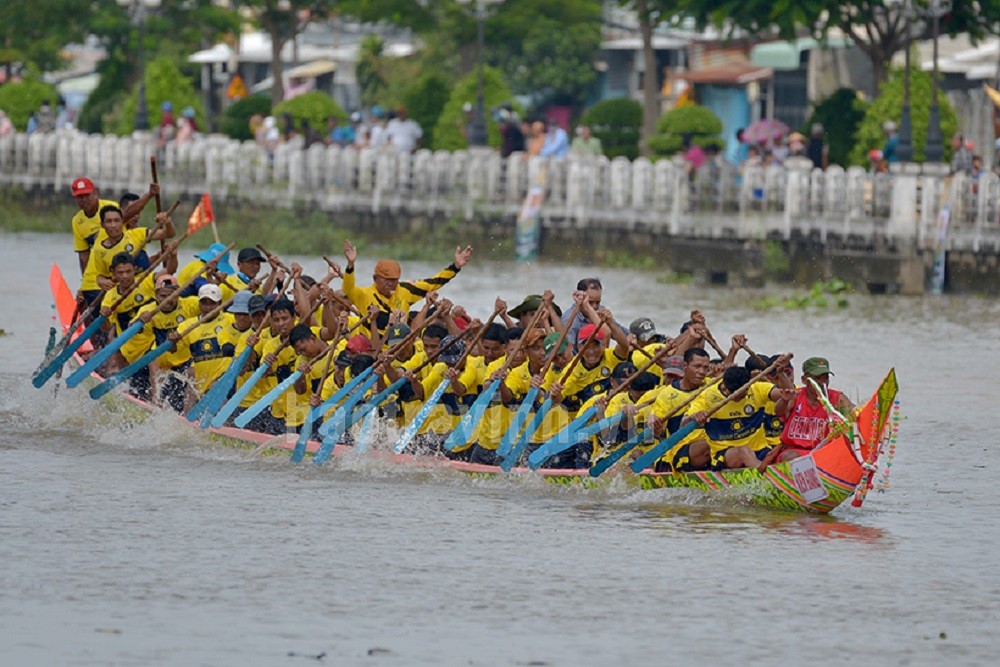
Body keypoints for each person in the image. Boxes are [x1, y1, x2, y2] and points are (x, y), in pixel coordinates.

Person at [340, 240, 473, 332]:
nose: (391, 284)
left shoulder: (405, 289)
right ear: (375, 278)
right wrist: (350, 265)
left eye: (394, 280)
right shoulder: (363, 295)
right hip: (373, 350)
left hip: (402, 348)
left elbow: (433, 282)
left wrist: (455, 267)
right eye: (386, 280)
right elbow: (348, 288)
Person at [685, 365, 795, 471]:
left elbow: (788, 395)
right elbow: (683, 424)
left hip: (760, 449)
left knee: (790, 455)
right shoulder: (707, 396)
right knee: (743, 451)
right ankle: (767, 476)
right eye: (734, 394)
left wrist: (782, 376)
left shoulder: (756, 388)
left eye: (744, 393)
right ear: (725, 386)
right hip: (725, 453)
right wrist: (695, 417)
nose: (739, 397)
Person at [779, 357, 855, 461]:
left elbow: (855, 415)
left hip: (823, 453)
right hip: (795, 452)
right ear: (804, 380)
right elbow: (778, 411)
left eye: (825, 378)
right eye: (817, 378)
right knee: (791, 457)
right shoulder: (796, 395)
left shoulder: (837, 398)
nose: (822, 382)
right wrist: (784, 401)